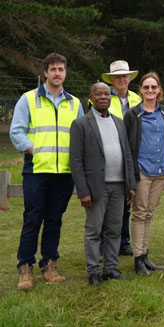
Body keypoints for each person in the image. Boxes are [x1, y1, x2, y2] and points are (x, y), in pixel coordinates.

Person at [9, 53, 83, 291]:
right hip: (37, 170)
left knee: (54, 219)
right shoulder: (28, 99)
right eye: (53, 69)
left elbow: (81, 135)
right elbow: (16, 131)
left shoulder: (74, 103)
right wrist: (34, 150)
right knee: (33, 219)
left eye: (61, 69)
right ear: (45, 72)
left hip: (64, 173)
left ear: (65, 73)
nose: (57, 73)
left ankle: (50, 265)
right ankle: (25, 267)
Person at [70, 83, 136, 285]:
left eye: (106, 94)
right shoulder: (81, 124)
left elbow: (127, 154)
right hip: (95, 187)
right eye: (98, 94)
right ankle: (94, 271)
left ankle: (110, 268)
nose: (103, 97)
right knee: (93, 230)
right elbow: (76, 160)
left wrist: (130, 184)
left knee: (115, 229)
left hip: (118, 186)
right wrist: (83, 191)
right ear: (91, 97)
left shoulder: (118, 122)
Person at [124, 72, 164, 276]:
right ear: (141, 90)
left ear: (159, 90)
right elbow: (127, 146)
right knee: (139, 213)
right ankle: (138, 258)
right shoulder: (133, 114)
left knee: (150, 213)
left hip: (161, 170)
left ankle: (145, 255)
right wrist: (130, 175)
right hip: (141, 170)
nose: (150, 91)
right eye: (146, 87)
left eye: (154, 87)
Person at [98, 60, 141, 256]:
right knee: (105, 203)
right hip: (110, 155)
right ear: (112, 80)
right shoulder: (102, 97)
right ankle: (102, 243)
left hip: (131, 155)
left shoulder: (136, 98)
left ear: (129, 78)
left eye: (125, 76)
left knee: (126, 201)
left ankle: (123, 242)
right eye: (117, 77)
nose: (122, 79)